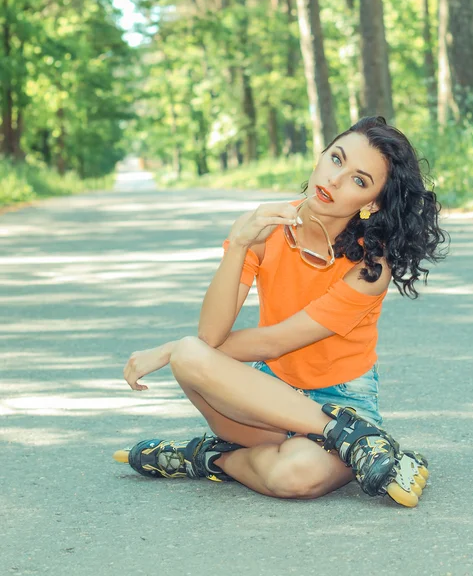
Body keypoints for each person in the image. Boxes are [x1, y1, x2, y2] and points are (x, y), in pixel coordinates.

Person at [117, 116, 448, 507]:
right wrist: (240, 244)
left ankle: (215, 457)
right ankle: (355, 445)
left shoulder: (370, 267)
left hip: (342, 401)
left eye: (359, 180)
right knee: (192, 353)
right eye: (336, 159)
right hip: (265, 399)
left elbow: (275, 341)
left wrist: (167, 349)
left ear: (371, 202)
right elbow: (210, 337)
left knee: (295, 474)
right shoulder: (262, 228)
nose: (336, 180)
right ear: (320, 156)